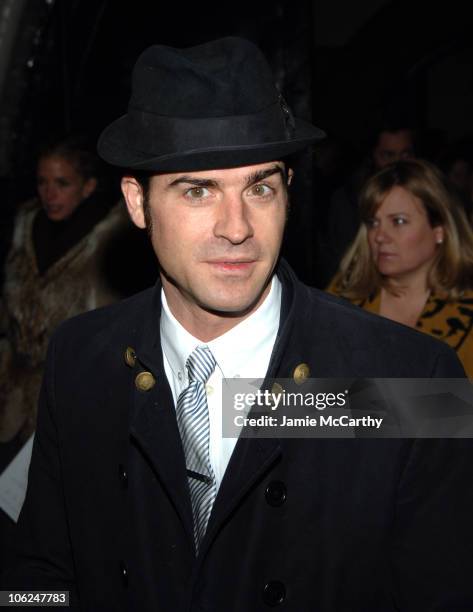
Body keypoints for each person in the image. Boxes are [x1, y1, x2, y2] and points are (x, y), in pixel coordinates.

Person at [3, 38, 473, 611]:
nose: (237, 227)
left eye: (260, 187)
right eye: (197, 190)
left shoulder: (412, 381)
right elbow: (38, 572)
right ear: (136, 202)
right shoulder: (82, 359)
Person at [328, 158, 473, 377]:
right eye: (373, 223)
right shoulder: (342, 297)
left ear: (439, 229)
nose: (380, 236)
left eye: (399, 221)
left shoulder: (465, 309)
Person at [318, 120, 416, 286]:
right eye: (388, 155)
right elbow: (341, 264)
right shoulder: (350, 199)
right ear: (373, 156)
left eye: (405, 154)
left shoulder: (429, 196)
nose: (398, 163)